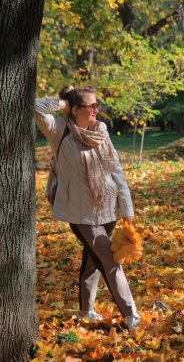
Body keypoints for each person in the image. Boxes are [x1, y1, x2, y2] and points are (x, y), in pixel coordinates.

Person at [35, 85, 140, 330]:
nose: (96, 110)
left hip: (108, 208)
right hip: (79, 212)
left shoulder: (101, 131)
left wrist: (127, 210)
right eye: (91, 106)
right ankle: (131, 314)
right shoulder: (58, 130)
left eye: (97, 105)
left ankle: (85, 311)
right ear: (74, 110)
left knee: (93, 260)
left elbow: (116, 171)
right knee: (110, 260)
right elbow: (37, 106)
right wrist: (63, 104)